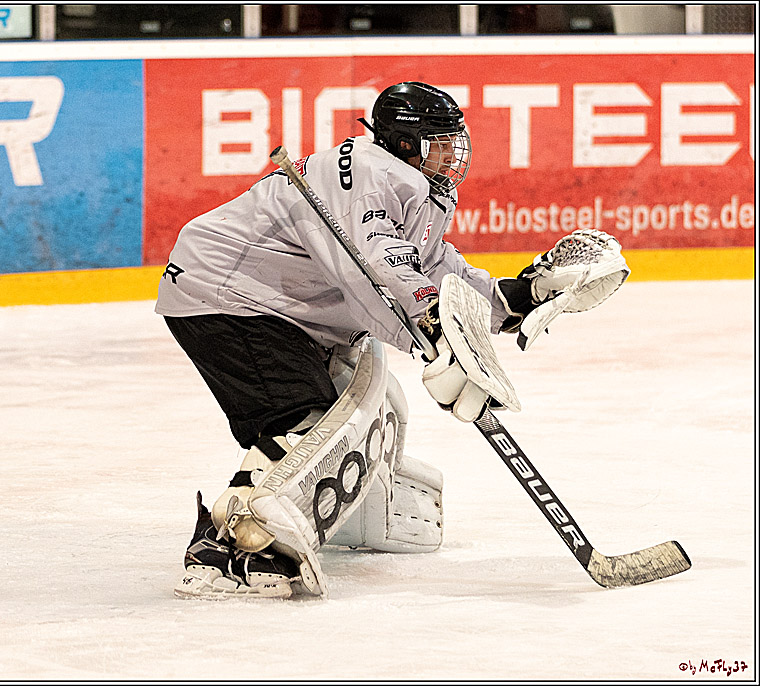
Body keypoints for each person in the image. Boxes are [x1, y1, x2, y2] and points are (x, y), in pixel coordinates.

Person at [156, 82, 578, 599]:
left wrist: (511, 299)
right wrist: (434, 326)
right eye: (440, 144)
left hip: (275, 306)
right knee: (306, 425)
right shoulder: (370, 176)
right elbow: (377, 268)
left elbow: (433, 268)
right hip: (229, 294)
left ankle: (311, 520)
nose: (452, 155)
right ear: (404, 143)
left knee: (341, 412)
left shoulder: (414, 188)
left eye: (454, 142)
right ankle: (225, 554)